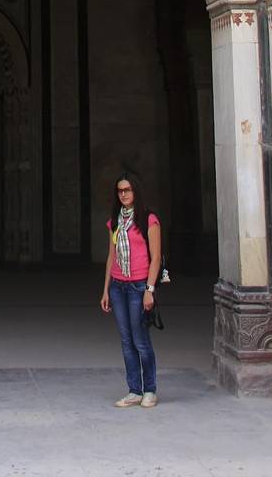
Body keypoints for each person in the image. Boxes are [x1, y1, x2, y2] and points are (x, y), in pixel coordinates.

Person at [100, 172, 161, 407]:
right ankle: (134, 389)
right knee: (126, 340)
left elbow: (155, 258)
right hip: (118, 286)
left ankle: (150, 389)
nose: (123, 194)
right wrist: (106, 290)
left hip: (138, 285)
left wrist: (149, 289)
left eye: (127, 190)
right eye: (120, 191)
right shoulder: (114, 220)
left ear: (136, 191)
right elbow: (111, 256)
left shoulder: (148, 219)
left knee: (140, 340)